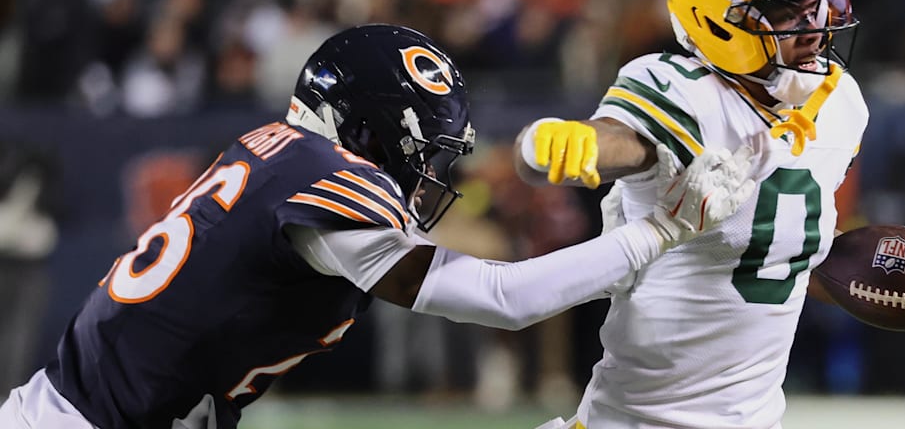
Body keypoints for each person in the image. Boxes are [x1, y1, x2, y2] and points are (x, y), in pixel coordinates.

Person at [0, 24, 758, 429]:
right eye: (423, 151)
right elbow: (502, 298)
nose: (432, 174)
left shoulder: (281, 158)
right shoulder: (322, 181)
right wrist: (659, 232)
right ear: (369, 131)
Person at [514, 0, 905, 429]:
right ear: (713, 17)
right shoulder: (679, 88)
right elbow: (627, 141)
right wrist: (576, 142)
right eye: (788, 6)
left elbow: (780, 261)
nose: (816, 24)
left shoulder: (840, 104)